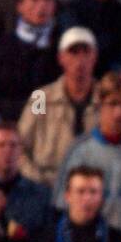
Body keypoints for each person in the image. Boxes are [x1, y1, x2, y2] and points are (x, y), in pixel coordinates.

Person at [53, 72, 121, 234]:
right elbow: (62, 204)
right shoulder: (80, 150)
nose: (119, 112)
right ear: (100, 104)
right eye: (112, 104)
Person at [18, 26, 101, 188]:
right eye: (73, 53)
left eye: (86, 53)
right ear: (61, 58)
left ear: (95, 57)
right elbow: (19, 146)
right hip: (46, 185)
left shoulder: (108, 99)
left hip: (94, 188)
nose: (80, 60)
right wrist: (36, 180)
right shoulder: (40, 98)